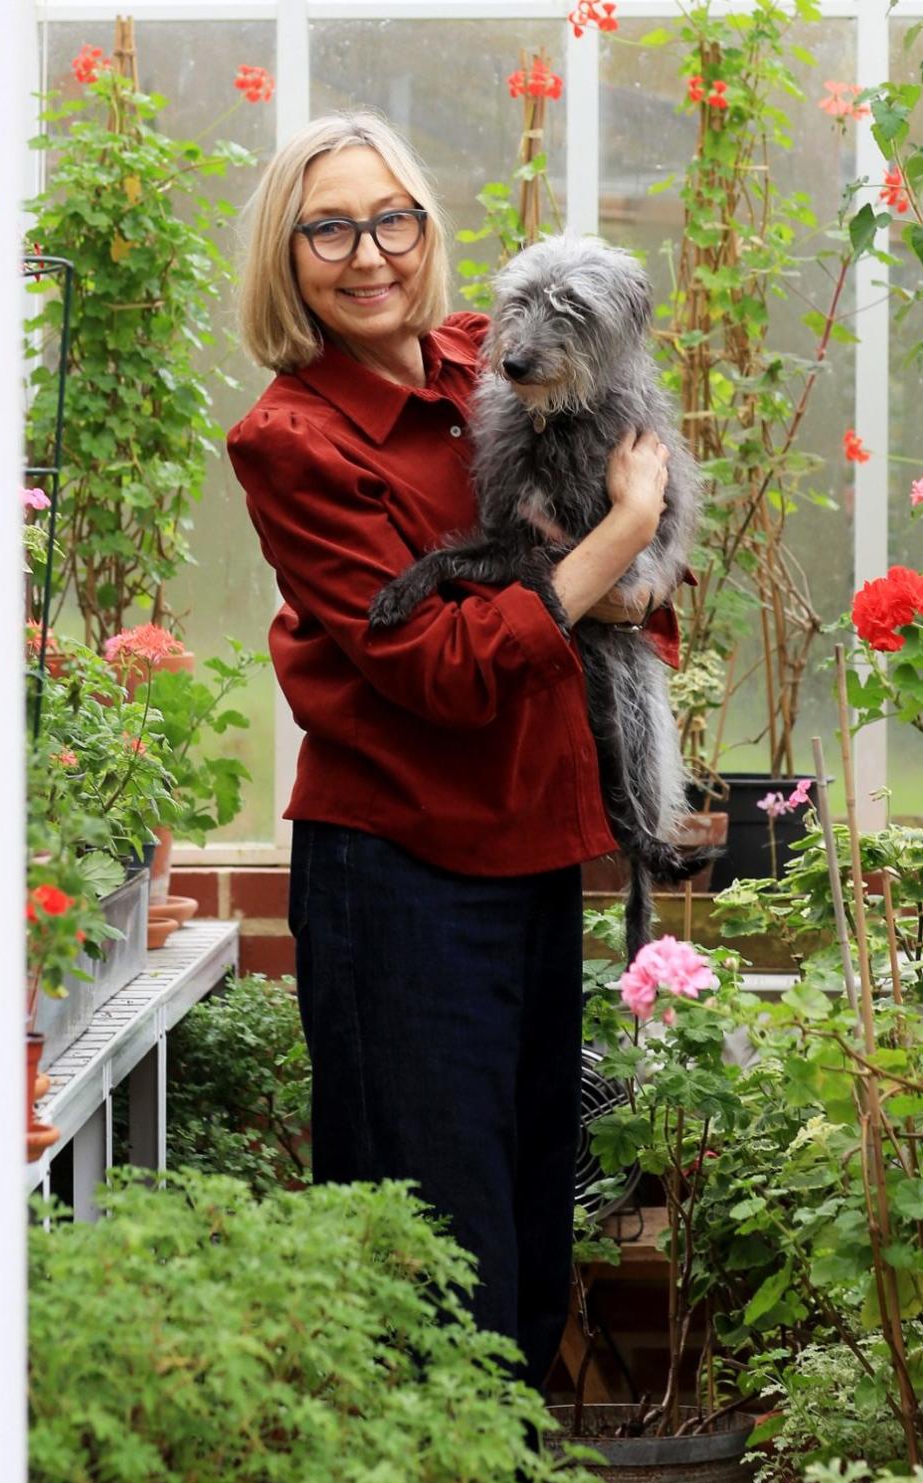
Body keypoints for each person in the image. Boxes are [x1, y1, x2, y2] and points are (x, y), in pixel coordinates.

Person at [227, 110, 671, 1395]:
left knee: (536, 1219)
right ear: (287, 253)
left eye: (392, 218)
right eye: (328, 227)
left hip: (531, 848)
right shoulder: (294, 441)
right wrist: (614, 544)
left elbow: (640, 560)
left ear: (428, 229)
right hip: (400, 871)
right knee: (441, 1250)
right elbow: (443, 670)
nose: (367, 254)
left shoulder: (498, 360)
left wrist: (634, 560)